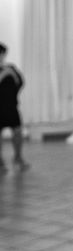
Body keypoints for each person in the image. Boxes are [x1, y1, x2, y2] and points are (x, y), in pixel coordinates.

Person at [0, 43, 29, 173]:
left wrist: (12, 74)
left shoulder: (10, 67)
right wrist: (3, 75)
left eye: (2, 54)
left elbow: (20, 82)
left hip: (11, 106)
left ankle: (18, 158)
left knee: (17, 131)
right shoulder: (5, 71)